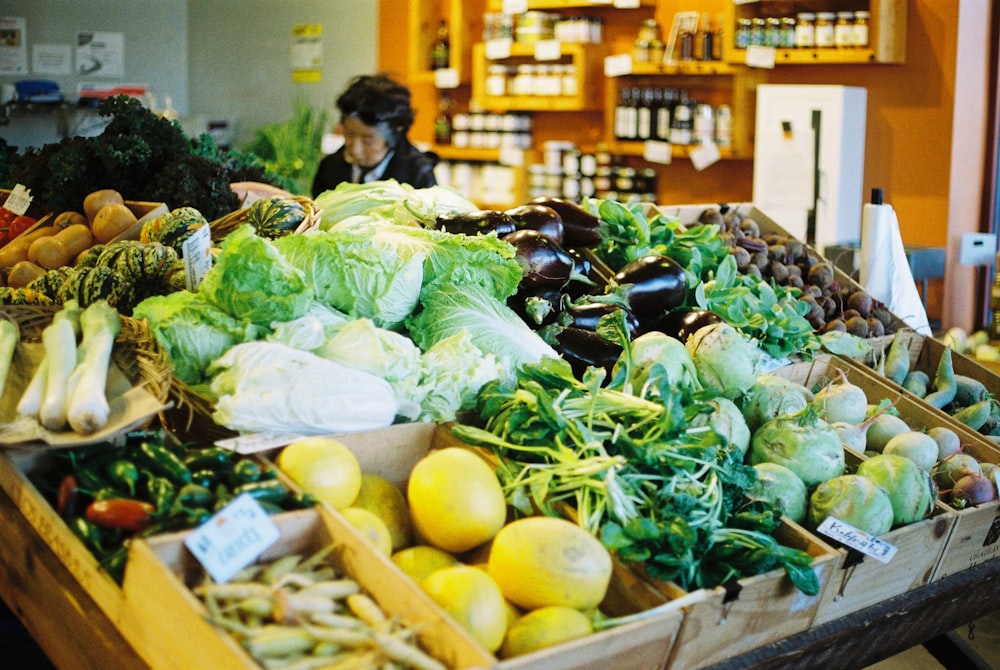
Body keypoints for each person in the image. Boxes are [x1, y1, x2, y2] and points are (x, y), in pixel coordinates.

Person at [311, 74, 438, 197]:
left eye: (368, 141)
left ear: (395, 132)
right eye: (349, 135)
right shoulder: (329, 167)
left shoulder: (418, 175)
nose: (355, 150)